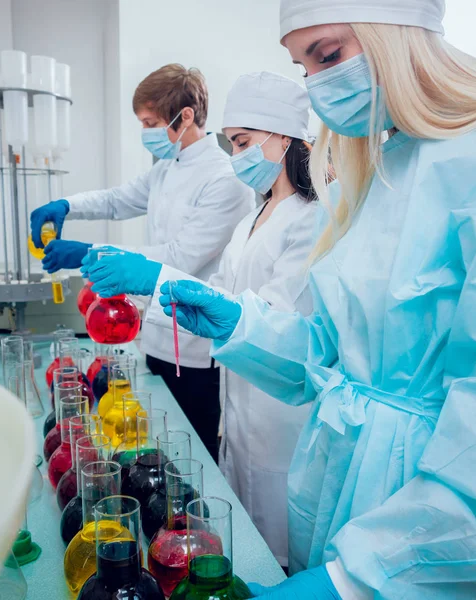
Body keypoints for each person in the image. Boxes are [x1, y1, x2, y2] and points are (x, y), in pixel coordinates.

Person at [98, 1, 476, 598]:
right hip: (338, 485)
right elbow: (334, 350)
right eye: (305, 69)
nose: (321, 88)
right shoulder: (382, 171)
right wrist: (241, 327)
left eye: (328, 55)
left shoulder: (466, 166)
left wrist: (353, 582)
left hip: (421, 533)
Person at [83, 72, 317, 567]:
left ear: (285, 137)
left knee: (279, 555)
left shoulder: (309, 219)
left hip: (278, 419)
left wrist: (154, 275)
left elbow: (272, 322)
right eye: (233, 144)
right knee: (240, 544)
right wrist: (164, 288)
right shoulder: (257, 215)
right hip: (238, 412)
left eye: (245, 143)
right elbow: (222, 298)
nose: (237, 157)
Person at [30, 64, 255, 460]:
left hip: (195, 350)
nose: (145, 132)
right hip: (153, 340)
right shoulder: (167, 168)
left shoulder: (226, 179)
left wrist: (88, 253)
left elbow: (179, 257)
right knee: (154, 449)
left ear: (185, 115)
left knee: (190, 455)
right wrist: (67, 205)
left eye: (151, 122)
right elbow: (118, 199)